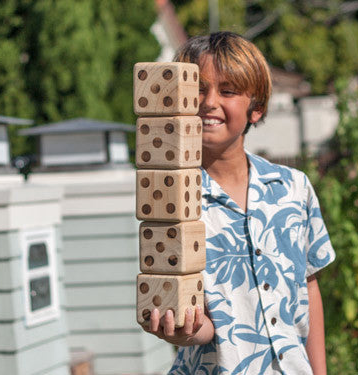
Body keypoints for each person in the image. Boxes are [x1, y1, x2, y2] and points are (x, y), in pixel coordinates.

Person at [144, 31, 336, 374]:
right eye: (197, 88)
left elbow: (309, 287)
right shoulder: (170, 198)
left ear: (256, 109)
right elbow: (201, 323)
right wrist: (181, 331)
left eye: (228, 91)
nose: (209, 101)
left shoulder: (294, 188)